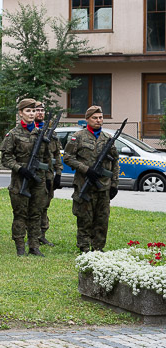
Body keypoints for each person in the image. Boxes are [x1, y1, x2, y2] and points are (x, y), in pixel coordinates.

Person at [61, 105, 119, 253]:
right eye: (95, 118)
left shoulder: (108, 138)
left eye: (100, 117)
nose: (98, 120)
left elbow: (115, 162)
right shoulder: (78, 137)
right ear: (87, 119)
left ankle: (98, 248)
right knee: (84, 218)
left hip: (103, 186)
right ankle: (84, 247)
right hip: (84, 185)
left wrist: (114, 184)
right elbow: (67, 157)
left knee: (102, 219)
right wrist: (86, 169)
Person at [0, 98, 52, 257]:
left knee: (36, 213)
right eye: (28, 111)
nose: (32, 114)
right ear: (21, 113)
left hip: (38, 179)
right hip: (20, 180)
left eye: (34, 111)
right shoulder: (13, 134)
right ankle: (20, 246)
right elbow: (6, 158)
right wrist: (20, 169)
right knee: (20, 214)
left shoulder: (40, 133)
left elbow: (47, 158)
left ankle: (34, 246)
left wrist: (49, 178)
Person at [35, 101, 62, 247]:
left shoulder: (52, 133)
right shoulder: (30, 131)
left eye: (41, 110)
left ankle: (42, 234)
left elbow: (57, 154)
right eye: (37, 110)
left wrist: (58, 173)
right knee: (32, 206)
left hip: (49, 174)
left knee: (45, 205)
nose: (39, 113)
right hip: (34, 174)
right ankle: (32, 235)